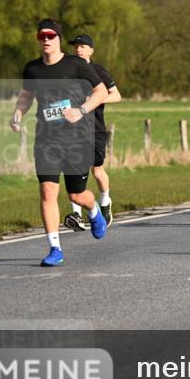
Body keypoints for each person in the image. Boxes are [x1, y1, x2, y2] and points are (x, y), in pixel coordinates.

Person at [10, 19, 109, 266]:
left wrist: (81, 110)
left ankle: (94, 210)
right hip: (46, 139)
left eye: (51, 36)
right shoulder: (32, 69)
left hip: (76, 139)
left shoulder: (75, 65)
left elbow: (101, 92)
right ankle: (55, 248)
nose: (46, 40)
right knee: (47, 190)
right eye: (42, 36)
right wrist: (18, 113)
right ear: (38, 39)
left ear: (58, 39)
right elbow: (26, 95)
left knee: (76, 195)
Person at [63, 34, 121, 232]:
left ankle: (105, 201)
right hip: (72, 130)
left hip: (94, 128)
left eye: (83, 46)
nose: (78, 49)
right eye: (76, 46)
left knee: (96, 170)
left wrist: (95, 98)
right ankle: (77, 215)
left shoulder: (98, 71)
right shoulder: (68, 71)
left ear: (91, 50)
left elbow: (117, 95)